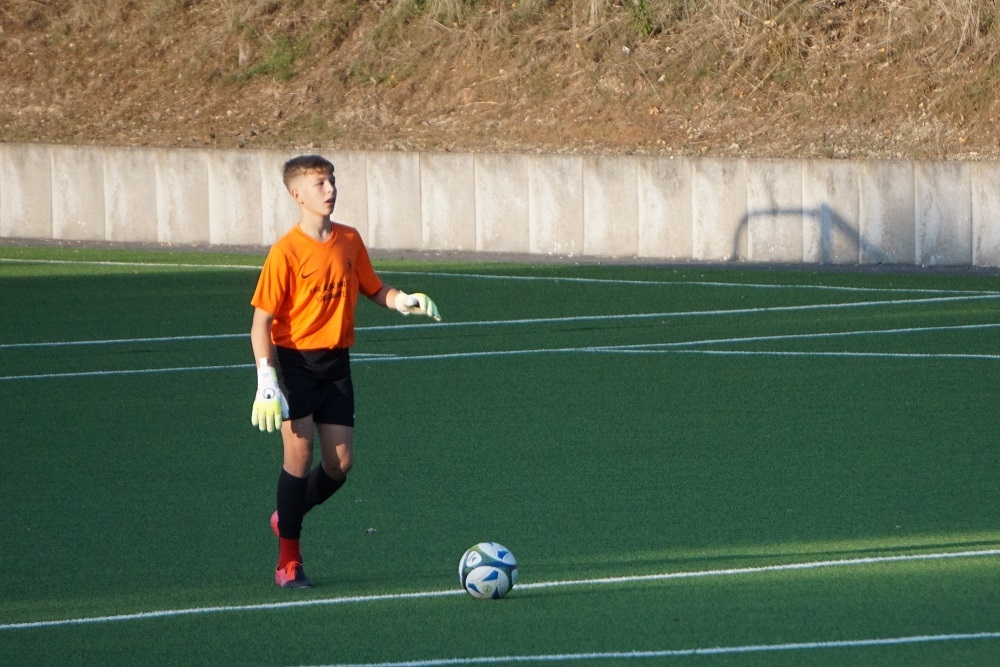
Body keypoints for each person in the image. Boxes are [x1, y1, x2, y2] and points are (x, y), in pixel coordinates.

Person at [249, 154, 440, 589]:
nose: (330, 189)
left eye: (332, 180)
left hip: (336, 365)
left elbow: (375, 287)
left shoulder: (349, 239)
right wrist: (266, 380)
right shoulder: (285, 251)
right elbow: (261, 323)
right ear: (297, 194)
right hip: (295, 363)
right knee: (298, 459)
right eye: (319, 183)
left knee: (339, 465)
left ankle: (286, 517)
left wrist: (402, 300)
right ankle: (288, 561)